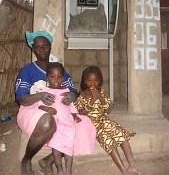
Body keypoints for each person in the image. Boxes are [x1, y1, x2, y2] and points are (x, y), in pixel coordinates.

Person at [15, 30, 78, 175]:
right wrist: (40, 96)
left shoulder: (58, 69)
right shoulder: (27, 70)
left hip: (60, 111)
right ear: (33, 49)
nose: (41, 49)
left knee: (79, 126)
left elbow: (74, 91)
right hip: (32, 109)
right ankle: (26, 160)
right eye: (37, 46)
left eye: (44, 45)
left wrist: (72, 95)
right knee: (47, 122)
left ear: (50, 47)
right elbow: (21, 99)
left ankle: (48, 160)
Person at [74, 66, 142, 175]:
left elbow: (108, 108)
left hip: (105, 121)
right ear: (85, 81)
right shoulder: (82, 95)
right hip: (93, 125)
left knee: (122, 136)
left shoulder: (101, 92)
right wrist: (92, 101)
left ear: (100, 81)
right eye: (90, 81)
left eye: (96, 81)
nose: (93, 84)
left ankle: (132, 165)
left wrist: (100, 98)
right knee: (109, 143)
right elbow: (80, 112)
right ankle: (123, 171)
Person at [37, 62, 95, 175]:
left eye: (59, 77)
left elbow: (71, 106)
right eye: (52, 77)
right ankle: (59, 169)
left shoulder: (66, 90)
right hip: (55, 124)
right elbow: (39, 105)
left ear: (63, 78)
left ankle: (68, 170)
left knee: (68, 147)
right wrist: (47, 109)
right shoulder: (45, 91)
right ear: (47, 77)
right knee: (56, 146)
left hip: (67, 123)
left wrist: (74, 115)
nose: (56, 80)